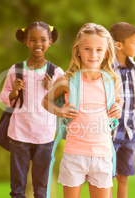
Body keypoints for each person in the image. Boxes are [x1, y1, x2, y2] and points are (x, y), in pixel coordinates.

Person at [42, 23, 123, 198]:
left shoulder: (112, 80)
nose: (93, 55)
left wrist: (118, 108)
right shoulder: (68, 79)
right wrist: (60, 111)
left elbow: (117, 102)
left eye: (99, 50)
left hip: (102, 155)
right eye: (88, 49)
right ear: (78, 50)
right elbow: (46, 101)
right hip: (74, 155)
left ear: (106, 52)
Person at [0, 21, 64, 198]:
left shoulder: (56, 72)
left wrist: (52, 88)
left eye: (43, 39)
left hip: (45, 135)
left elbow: (65, 103)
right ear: (26, 42)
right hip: (19, 134)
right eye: (33, 40)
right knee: (17, 188)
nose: (38, 44)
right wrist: (14, 92)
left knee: (41, 188)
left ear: (50, 42)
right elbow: (4, 97)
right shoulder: (16, 69)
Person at [109, 22, 135, 198]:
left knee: (123, 178)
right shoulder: (107, 68)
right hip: (111, 132)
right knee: (107, 178)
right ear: (118, 45)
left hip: (130, 132)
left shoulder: (134, 67)